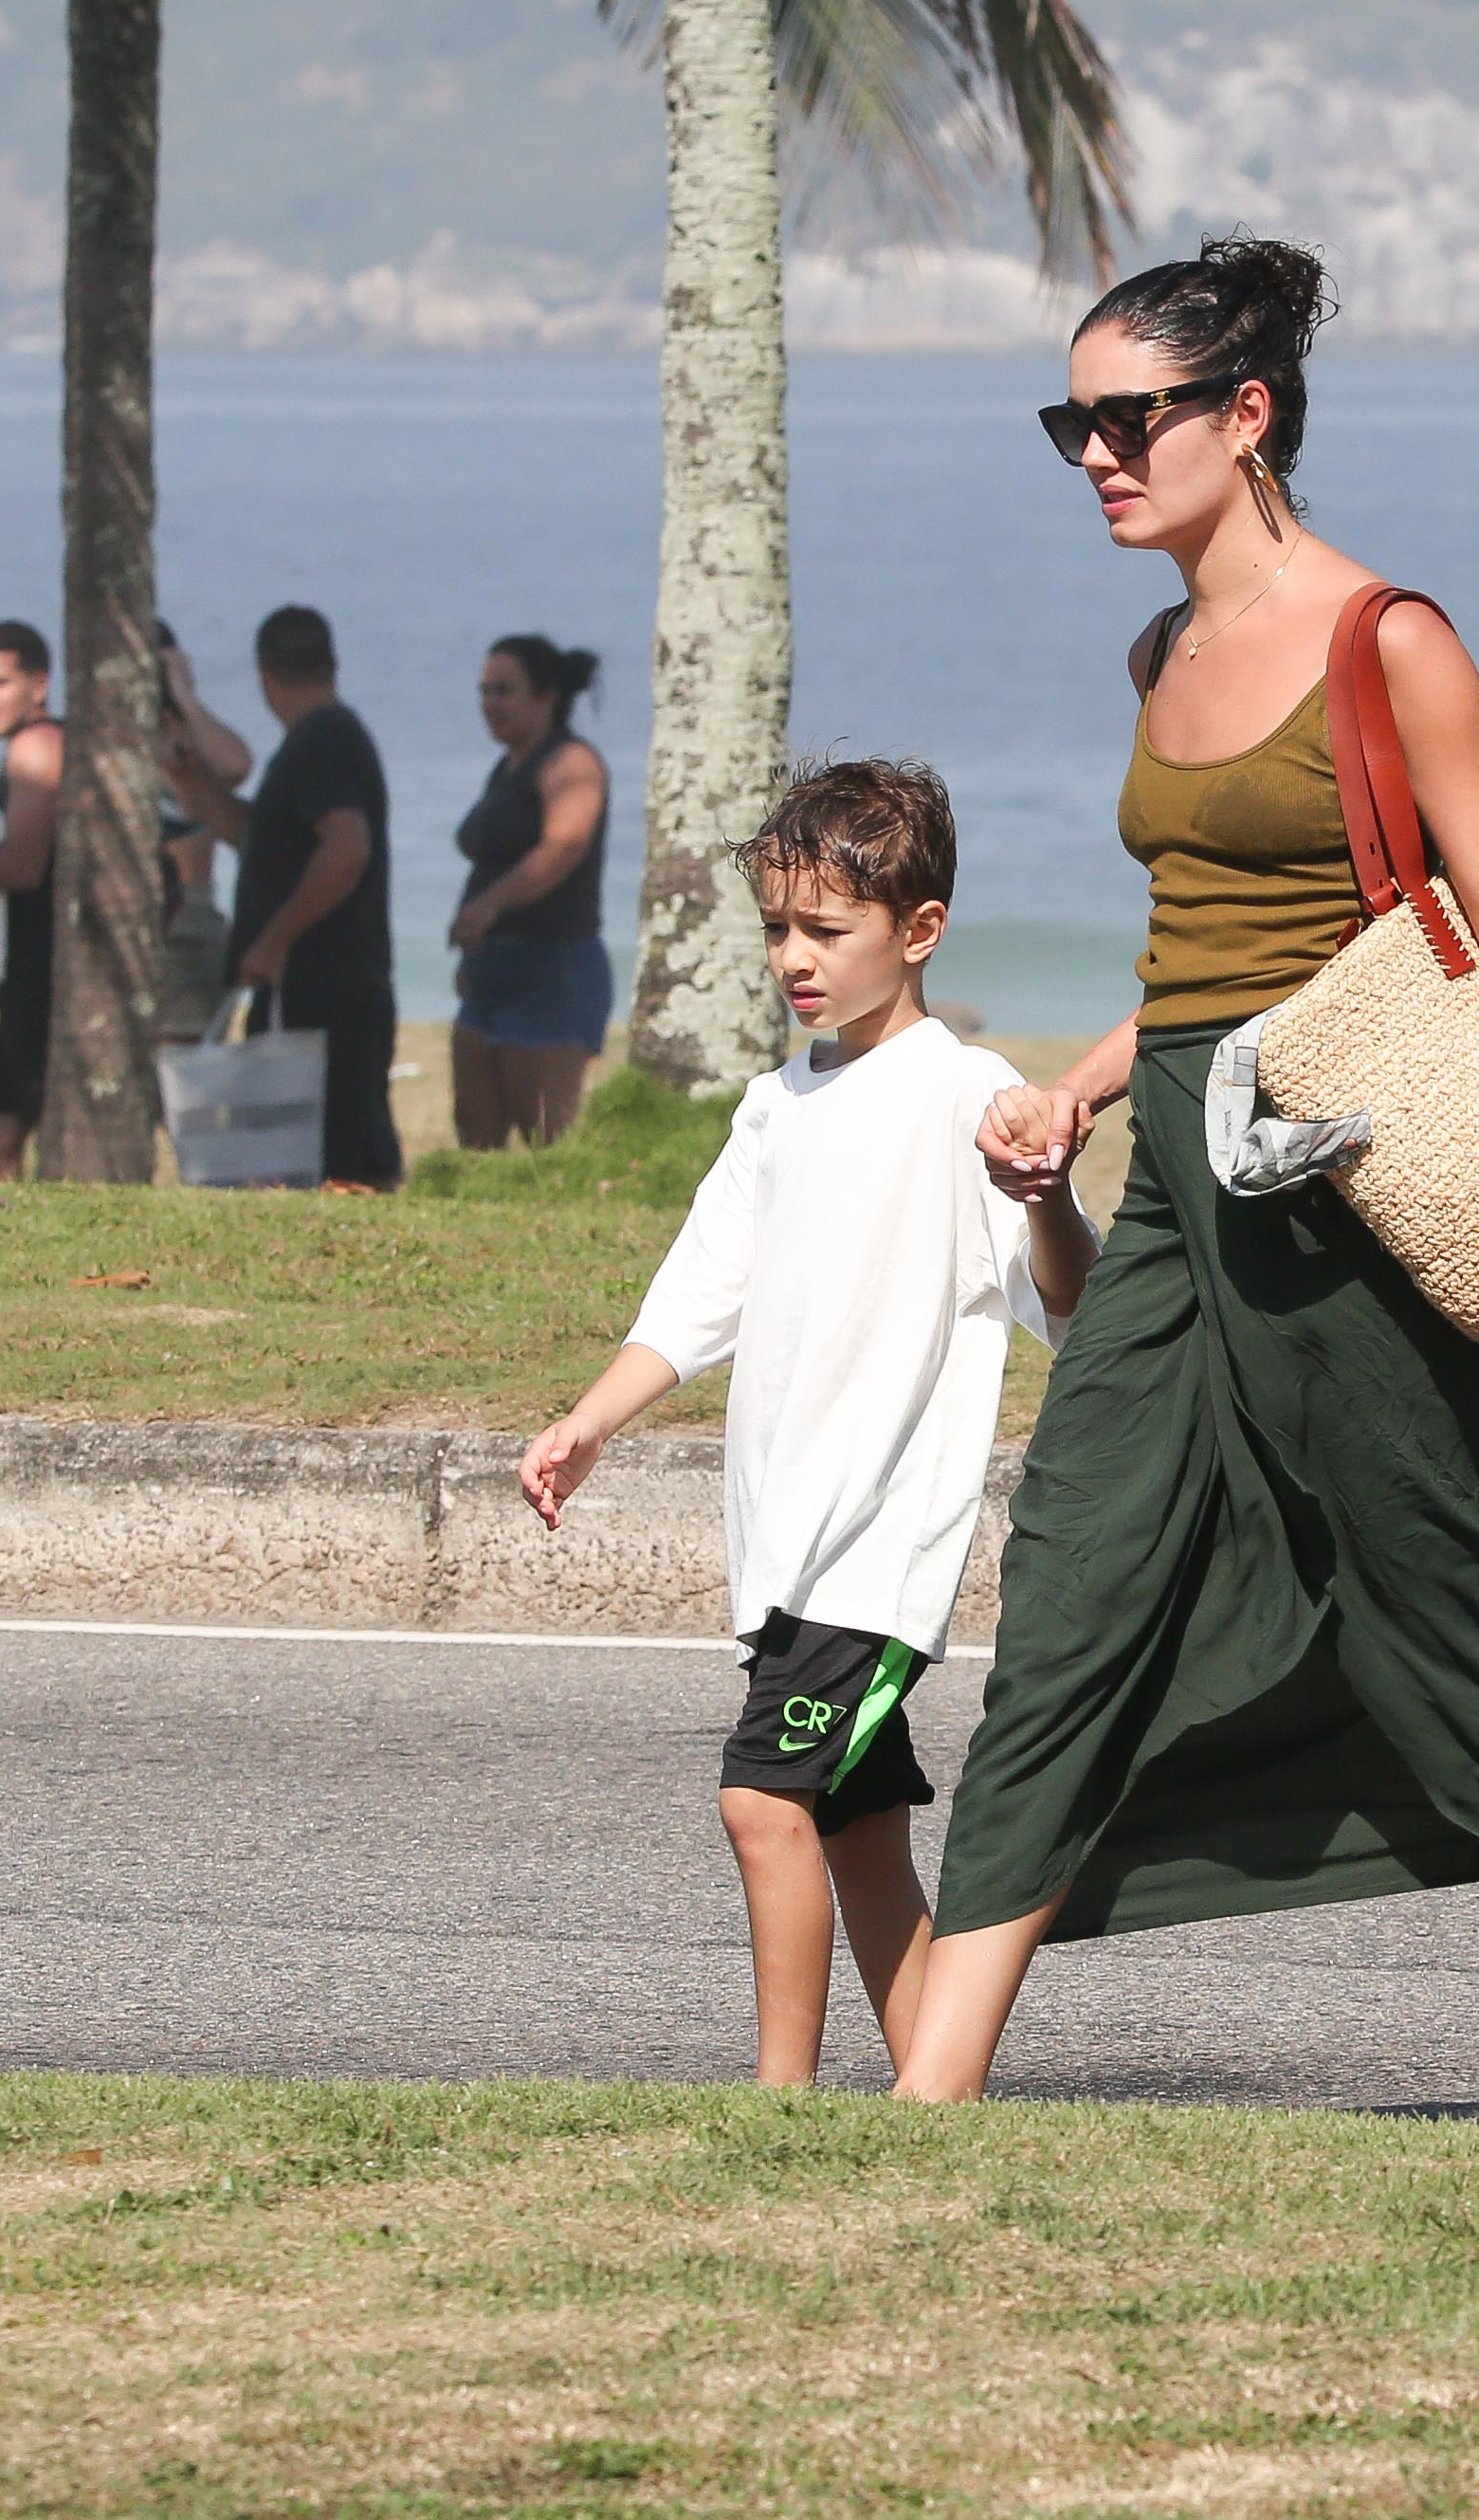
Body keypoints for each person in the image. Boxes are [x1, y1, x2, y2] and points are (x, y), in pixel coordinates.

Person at [894, 234, 1479, 2122]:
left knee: (1433, 1592)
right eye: (1066, 422)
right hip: (1176, 1178)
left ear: (1244, 419)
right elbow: (1199, 950)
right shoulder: (1159, 644)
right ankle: (929, 2093)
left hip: (1342, 1194)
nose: (1093, 452)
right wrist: (1084, 1091)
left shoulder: (1382, 639)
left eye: (1127, 417)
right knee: (1070, 1583)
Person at [517, 759, 1093, 2086]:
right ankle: (933, 2094)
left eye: (826, 930)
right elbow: (699, 1289)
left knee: (758, 1798)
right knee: (857, 1834)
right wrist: (592, 1421)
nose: (795, 957)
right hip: (789, 1548)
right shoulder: (778, 1104)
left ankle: (780, 2099)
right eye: (778, 927)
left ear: (921, 929)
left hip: (875, 1556)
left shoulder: (971, 1095)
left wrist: (1047, 1190)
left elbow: (1073, 1302)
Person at [181, 605, 403, 1191]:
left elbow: (346, 847)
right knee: (295, 1145)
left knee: (343, 1148)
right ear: (331, 663)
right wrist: (190, 783)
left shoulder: (325, 739)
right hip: (315, 987)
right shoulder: (317, 740)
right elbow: (259, 839)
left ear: (264, 673)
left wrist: (276, 940)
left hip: (327, 986)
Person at [447, 634, 612, 1148]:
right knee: (475, 1125)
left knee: (546, 1130)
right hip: (491, 972)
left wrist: (489, 905)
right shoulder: (509, 766)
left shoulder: (571, 763)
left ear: (546, 696)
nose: (489, 705)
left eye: (504, 691)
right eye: (484, 691)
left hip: (553, 971)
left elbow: (564, 845)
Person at [0, 622, 60, 1179]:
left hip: (46, 967)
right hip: (36, 963)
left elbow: (22, 866)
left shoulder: (34, 748)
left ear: (39, 684)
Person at [150, 625, 260, 1045]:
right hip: (128, 909)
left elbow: (235, 765)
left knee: (183, 1076)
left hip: (189, 917)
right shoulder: (100, 739)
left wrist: (184, 697)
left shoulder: (186, 738)